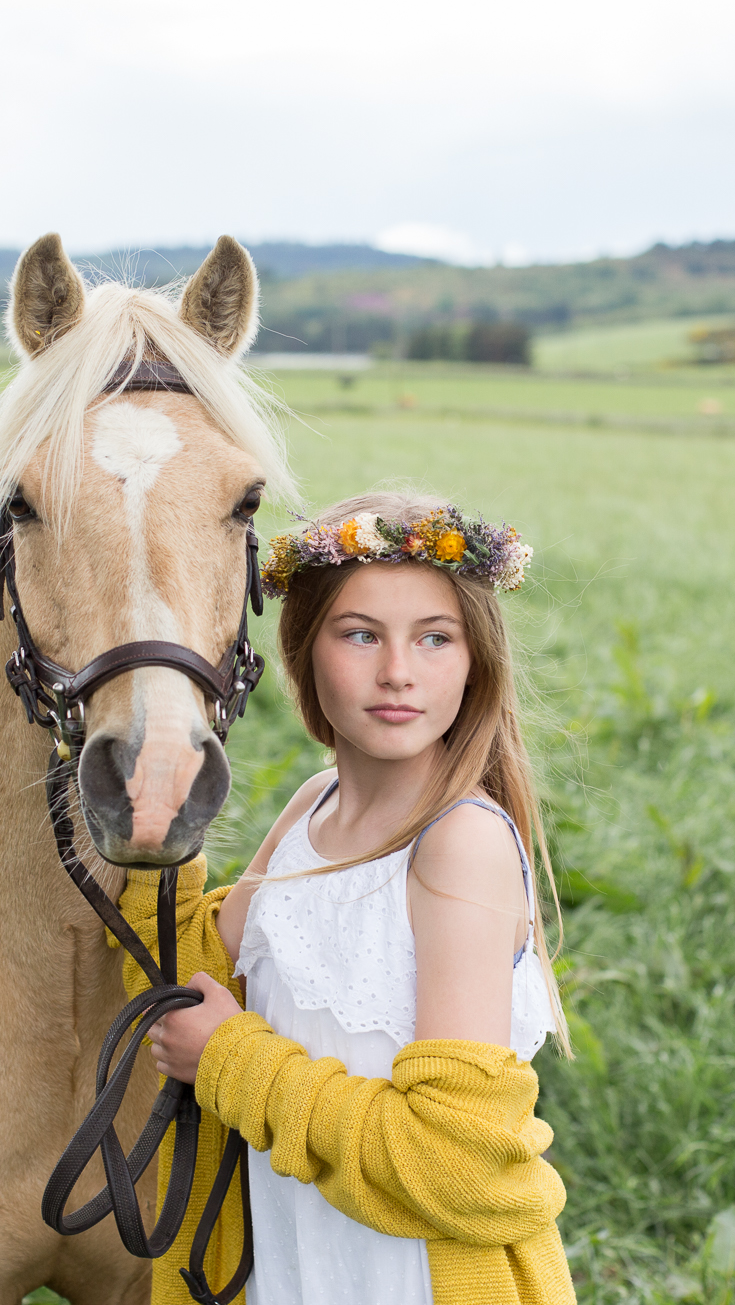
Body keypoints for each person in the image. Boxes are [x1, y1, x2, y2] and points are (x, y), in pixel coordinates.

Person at [118, 491, 576, 1305]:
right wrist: (159, 817)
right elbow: (187, 984)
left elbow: (454, 1164)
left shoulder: (458, 845)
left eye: (435, 637)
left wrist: (230, 1059)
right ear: (303, 653)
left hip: (410, 1281)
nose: (397, 671)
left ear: (476, 661)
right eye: (360, 634)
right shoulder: (315, 803)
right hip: (296, 1266)